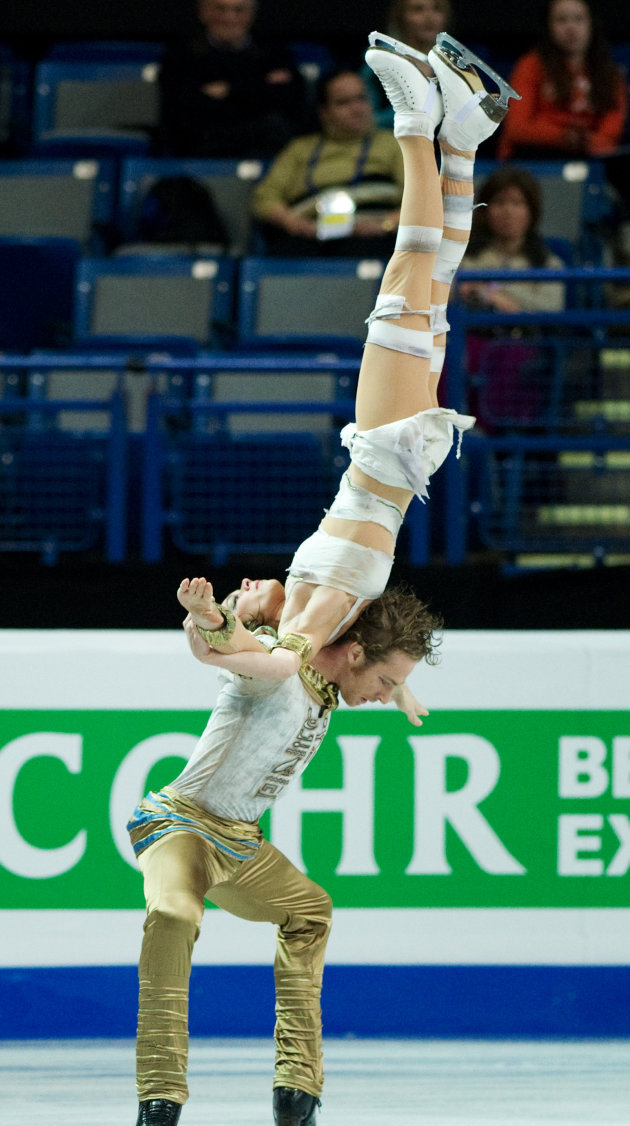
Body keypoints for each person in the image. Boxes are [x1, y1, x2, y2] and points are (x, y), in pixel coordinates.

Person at [228, 29, 520, 686]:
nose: (239, 594)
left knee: (436, 271)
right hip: (388, 451)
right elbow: (279, 667)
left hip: (399, 457)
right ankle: (415, 118)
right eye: (238, 607)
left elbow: (300, 653)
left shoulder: (311, 606)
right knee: (411, 266)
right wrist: (213, 630)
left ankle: (465, 135)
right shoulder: (312, 622)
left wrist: (397, 692)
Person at [130, 582, 443, 1126]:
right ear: (354, 654)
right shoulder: (279, 665)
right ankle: (160, 1095)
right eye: (384, 683)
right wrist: (212, 617)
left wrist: (399, 689)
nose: (382, 695)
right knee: (174, 913)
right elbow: (236, 642)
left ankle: (297, 1088)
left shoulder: (328, 682)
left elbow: (355, 645)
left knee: (309, 911)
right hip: (180, 827)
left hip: (241, 845)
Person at [251, 68, 404, 257]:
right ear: (324, 112)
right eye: (344, 102)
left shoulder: (395, 144)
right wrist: (295, 224)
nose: (357, 108)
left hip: (376, 237)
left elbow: (423, 199)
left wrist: (386, 224)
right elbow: (264, 198)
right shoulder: (299, 149)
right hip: (310, 238)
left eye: (361, 98)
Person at [158, 0, 306, 158]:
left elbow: (290, 99)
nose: (229, 18)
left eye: (239, 10)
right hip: (204, 149)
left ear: (252, 14)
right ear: (203, 12)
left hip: (267, 148)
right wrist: (259, 89)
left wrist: (230, 90)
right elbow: (185, 112)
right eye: (220, 9)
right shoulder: (182, 54)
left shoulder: (273, 51)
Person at [498, 0, 627, 161]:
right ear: (548, 26)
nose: (570, 28)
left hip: (588, 156)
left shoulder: (608, 71)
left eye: (579, 19)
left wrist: (587, 141)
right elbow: (517, 128)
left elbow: (612, 128)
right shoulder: (530, 65)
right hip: (536, 156)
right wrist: (565, 137)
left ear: (592, 24)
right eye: (561, 20)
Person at [459, 166, 566, 315]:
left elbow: (551, 309)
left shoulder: (548, 264)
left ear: (532, 212)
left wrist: (494, 294)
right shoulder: (464, 260)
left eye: (517, 203)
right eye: (499, 202)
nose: (508, 212)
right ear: (484, 210)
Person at [362, 0, 453, 129]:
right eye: (418, 10)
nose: (429, 17)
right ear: (400, 18)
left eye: (437, 9)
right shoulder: (379, 60)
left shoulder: (456, 61)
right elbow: (369, 118)